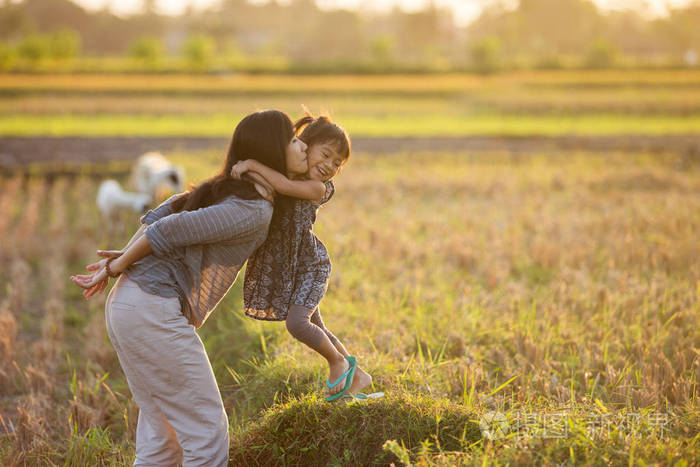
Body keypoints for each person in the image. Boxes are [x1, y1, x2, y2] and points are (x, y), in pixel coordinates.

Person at [70, 109, 307, 466]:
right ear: (273, 149)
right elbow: (165, 228)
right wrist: (118, 265)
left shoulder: (229, 191)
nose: (302, 146)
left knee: (163, 433)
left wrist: (126, 258)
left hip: (133, 306)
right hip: (151, 309)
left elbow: (161, 214)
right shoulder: (251, 208)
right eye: (292, 139)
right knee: (207, 430)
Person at [230, 112, 377, 402]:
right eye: (325, 155)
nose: (329, 166)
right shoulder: (287, 174)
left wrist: (250, 165)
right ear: (303, 146)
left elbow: (282, 187)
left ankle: (337, 363)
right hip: (292, 266)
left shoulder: (318, 189)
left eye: (337, 163)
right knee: (317, 326)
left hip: (310, 266)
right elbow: (275, 184)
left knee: (298, 324)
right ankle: (358, 376)